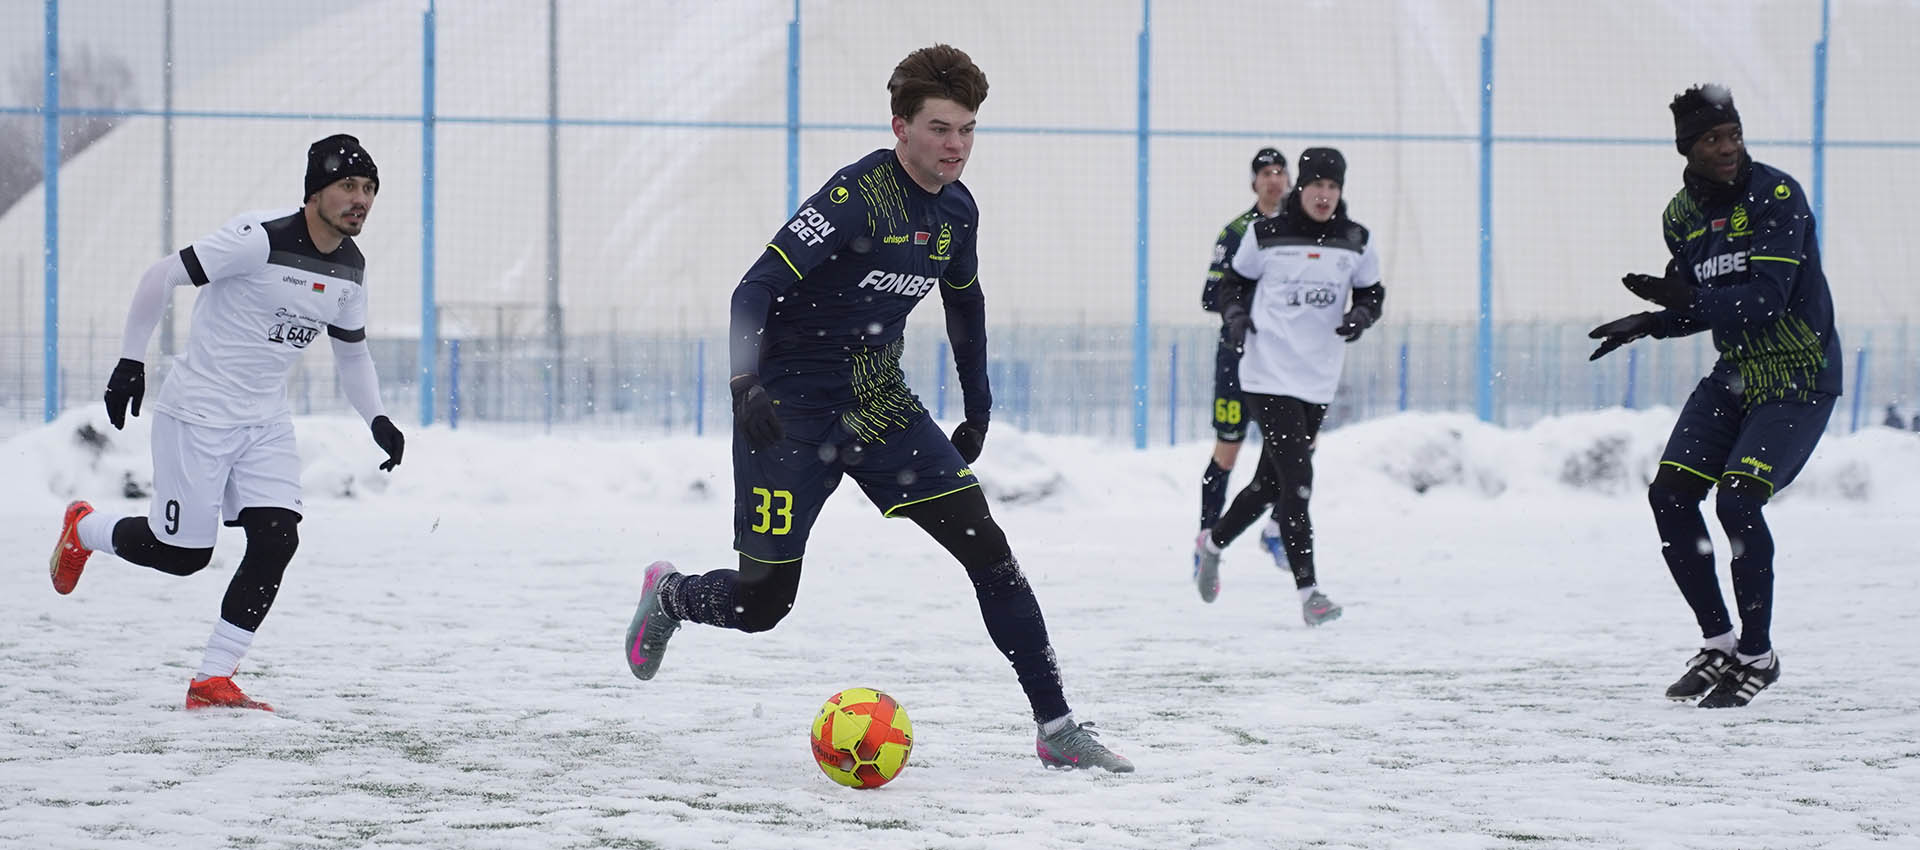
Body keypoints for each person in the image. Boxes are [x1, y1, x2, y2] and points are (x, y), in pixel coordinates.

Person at [622, 44, 1133, 773]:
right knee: (764, 604)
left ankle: (1057, 727)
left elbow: (965, 306)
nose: (955, 146)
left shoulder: (957, 212)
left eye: (967, 130)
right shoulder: (856, 196)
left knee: (990, 553)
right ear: (901, 127)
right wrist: (745, 384)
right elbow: (753, 289)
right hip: (788, 411)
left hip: (878, 404)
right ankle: (672, 596)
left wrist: (978, 408)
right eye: (939, 128)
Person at [47, 134, 405, 711]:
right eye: (347, 185)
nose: (360, 199)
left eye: (369, 188)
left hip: (265, 422)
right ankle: (85, 529)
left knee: (278, 538)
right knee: (182, 555)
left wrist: (378, 419)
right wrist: (130, 362)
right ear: (315, 192)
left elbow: (352, 353)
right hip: (198, 414)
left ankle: (212, 679)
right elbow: (161, 275)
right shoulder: (258, 238)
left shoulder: (351, 269)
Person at [1588, 84, 1840, 708]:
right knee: (1670, 496)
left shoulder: (1776, 195)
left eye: (1734, 135)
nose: (1728, 149)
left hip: (1798, 375)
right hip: (1737, 373)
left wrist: (1683, 301)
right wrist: (1650, 322)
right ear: (1688, 148)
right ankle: (1719, 643)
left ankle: (1758, 655)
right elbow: (1704, 306)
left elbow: (1765, 300)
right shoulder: (1680, 216)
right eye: (1711, 139)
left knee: (1738, 500)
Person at [1192, 148, 1383, 626]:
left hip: (1317, 379)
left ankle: (1213, 543)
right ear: (1303, 187)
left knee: (1268, 485)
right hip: (1266, 373)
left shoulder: (1356, 240)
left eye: (1333, 187)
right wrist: (1236, 317)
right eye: (1317, 184)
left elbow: (1372, 292)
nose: (1324, 195)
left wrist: (1361, 315)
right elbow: (1231, 284)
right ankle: (1309, 595)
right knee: (1298, 480)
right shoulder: (1265, 234)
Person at [1195, 148, 1296, 587]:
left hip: (1286, 363)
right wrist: (1248, 310)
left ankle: (1276, 530)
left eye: (1280, 172)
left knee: (1295, 450)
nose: (1274, 179)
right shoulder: (1238, 232)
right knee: (1228, 450)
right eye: (1265, 173)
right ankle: (1205, 541)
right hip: (1238, 360)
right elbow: (1211, 295)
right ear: (1254, 182)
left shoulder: (1301, 232)